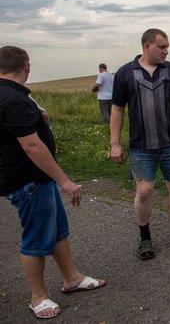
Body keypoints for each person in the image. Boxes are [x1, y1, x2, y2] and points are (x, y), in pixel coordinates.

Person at [0, 46, 106, 319]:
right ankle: (38, 297)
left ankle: (72, 278)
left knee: (58, 230)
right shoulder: (14, 100)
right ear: (27, 66)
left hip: (37, 179)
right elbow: (32, 146)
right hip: (28, 181)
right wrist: (65, 181)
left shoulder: (15, 97)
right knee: (36, 238)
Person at [109, 28, 170, 260]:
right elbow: (118, 109)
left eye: (167, 46)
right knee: (144, 191)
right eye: (161, 47)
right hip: (141, 146)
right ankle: (145, 238)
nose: (166, 51)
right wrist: (115, 143)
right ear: (147, 46)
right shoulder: (124, 73)